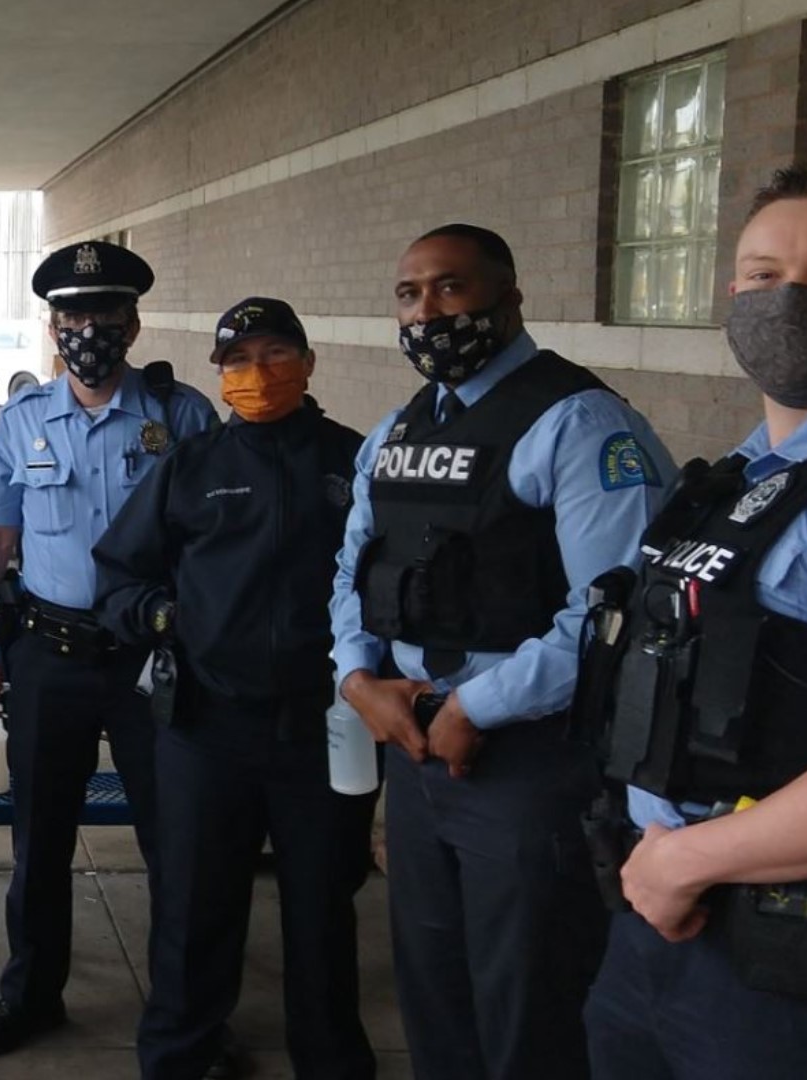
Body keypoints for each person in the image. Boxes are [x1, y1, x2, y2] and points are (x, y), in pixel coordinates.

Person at [328, 224, 676, 1079]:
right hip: (415, 751)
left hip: (527, 764)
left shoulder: (580, 423)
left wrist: (474, 708)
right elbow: (350, 569)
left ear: (510, 299)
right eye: (409, 296)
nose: (428, 312)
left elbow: (613, 618)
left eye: (450, 288)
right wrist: (355, 677)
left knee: (532, 1004)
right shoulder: (397, 431)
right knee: (435, 991)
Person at [577, 166, 807, 1079]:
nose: (792, 301)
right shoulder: (747, 475)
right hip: (669, 919)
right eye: (764, 275)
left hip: (788, 952)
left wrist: (689, 860)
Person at [95, 297, 375, 1080]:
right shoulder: (192, 466)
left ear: (309, 362)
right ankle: (179, 1058)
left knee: (323, 909)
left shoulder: (353, 462)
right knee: (194, 909)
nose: (260, 373)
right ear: (219, 378)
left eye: (278, 353)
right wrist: (157, 615)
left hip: (321, 730)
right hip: (205, 725)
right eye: (240, 361)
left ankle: (331, 1062)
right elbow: (118, 574)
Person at [0, 240, 216, 1057]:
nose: (88, 329)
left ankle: (188, 1017)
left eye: (104, 312)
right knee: (40, 841)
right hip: (50, 653)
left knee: (177, 843)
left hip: (154, 659)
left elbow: (213, 541)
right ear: (52, 326)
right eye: (72, 315)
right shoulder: (26, 422)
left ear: (133, 323)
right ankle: (32, 997)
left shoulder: (182, 417)